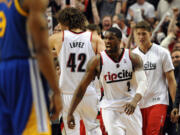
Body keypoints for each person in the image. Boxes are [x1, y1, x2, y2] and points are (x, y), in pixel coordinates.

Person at [67, 27, 148, 135]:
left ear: (120, 40)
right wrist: (70, 112)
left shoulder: (133, 57)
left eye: (111, 38)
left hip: (130, 106)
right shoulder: (96, 61)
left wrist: (134, 101)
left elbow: (143, 82)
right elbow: (81, 88)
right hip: (110, 108)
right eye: (105, 38)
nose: (107, 41)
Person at [0, 0, 62, 134]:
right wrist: (56, 91)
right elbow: (42, 49)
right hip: (24, 69)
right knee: (35, 129)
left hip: (3, 69)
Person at [49, 7, 105, 135]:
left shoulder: (57, 38)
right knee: (94, 129)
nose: (59, 25)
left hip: (68, 93)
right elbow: (105, 61)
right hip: (88, 92)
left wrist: (59, 54)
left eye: (60, 23)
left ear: (65, 22)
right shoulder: (94, 38)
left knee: (71, 131)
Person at [133, 21, 177, 135]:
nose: (141, 37)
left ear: (150, 34)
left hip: (158, 101)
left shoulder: (163, 52)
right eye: (138, 34)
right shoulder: (132, 55)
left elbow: (171, 81)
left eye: (144, 34)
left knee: (154, 132)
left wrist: (177, 105)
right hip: (139, 104)